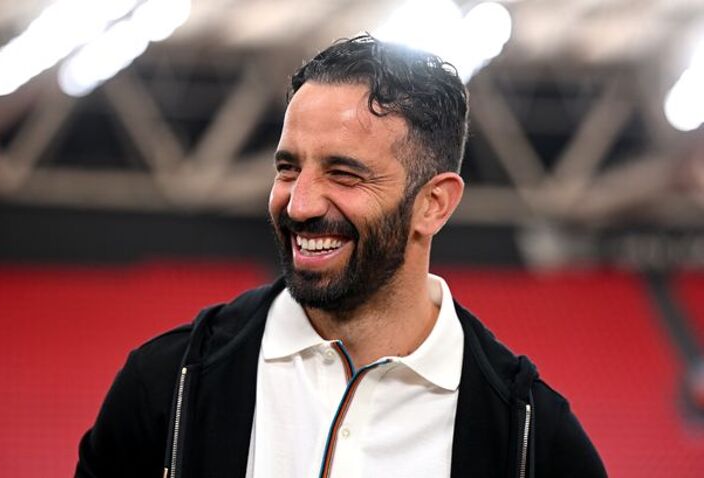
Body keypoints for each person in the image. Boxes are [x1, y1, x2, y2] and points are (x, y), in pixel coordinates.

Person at [76, 35, 607, 478]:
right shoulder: (167, 384)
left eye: (344, 174)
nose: (299, 204)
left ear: (434, 204)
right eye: (288, 168)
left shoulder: (534, 439)